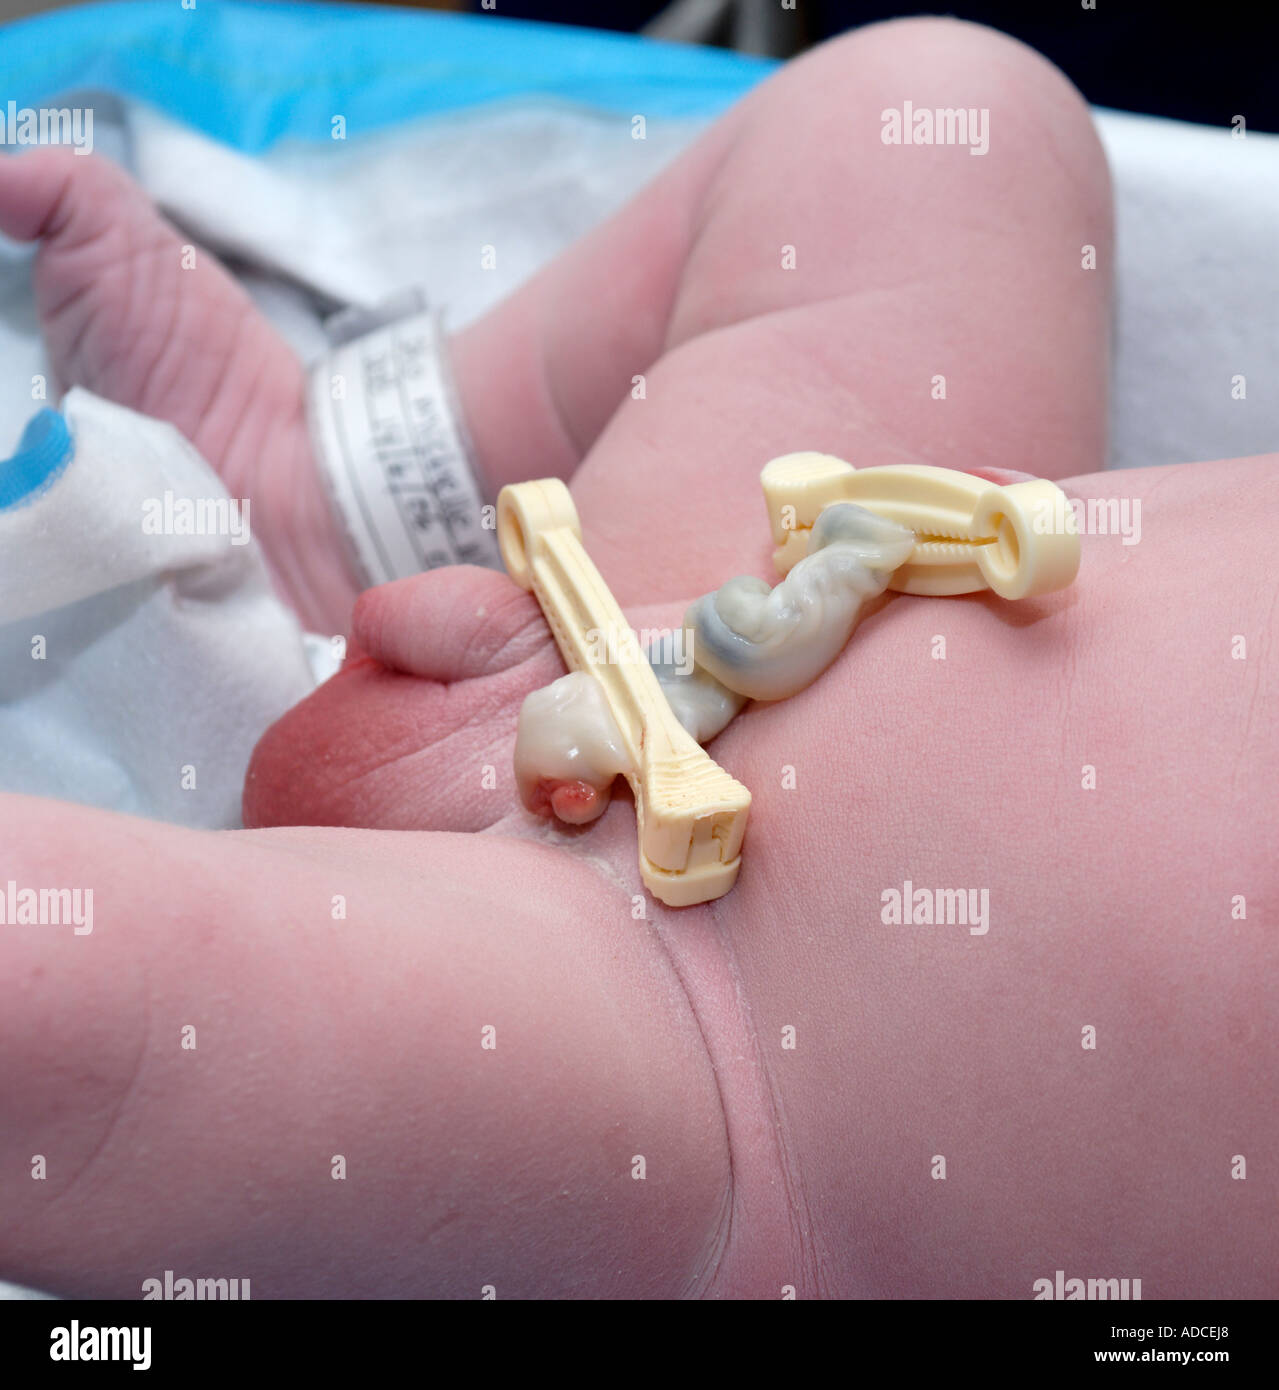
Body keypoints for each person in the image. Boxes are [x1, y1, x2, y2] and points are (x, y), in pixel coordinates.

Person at [0, 18, 1273, 1298]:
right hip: (820, 539)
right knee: (942, 107)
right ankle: (337, 488)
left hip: (723, 1046)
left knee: (66, 999)